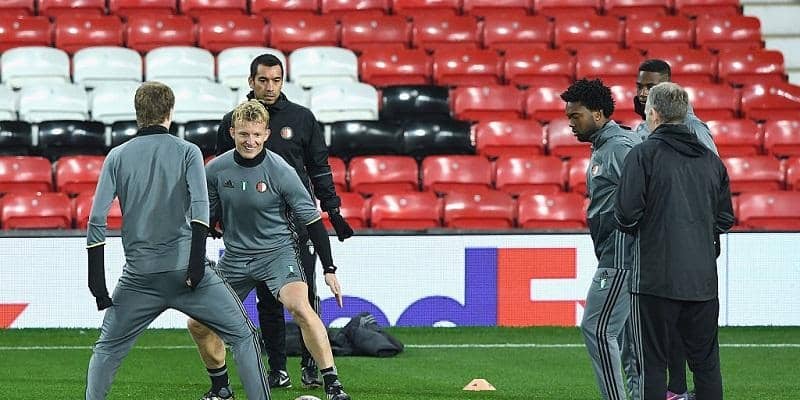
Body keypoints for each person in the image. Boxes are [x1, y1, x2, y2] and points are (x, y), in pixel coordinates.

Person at [84, 82, 270, 400]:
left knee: (107, 350)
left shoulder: (117, 156)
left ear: (137, 114)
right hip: (187, 272)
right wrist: (196, 267)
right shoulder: (188, 151)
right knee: (244, 335)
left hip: (139, 278)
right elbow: (200, 209)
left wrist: (97, 284)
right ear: (170, 112)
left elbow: (96, 220)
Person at [188, 100, 352, 400]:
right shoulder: (215, 170)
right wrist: (193, 264)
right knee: (197, 323)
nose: (250, 141)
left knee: (299, 307)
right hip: (235, 258)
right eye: (243, 134)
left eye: (256, 134)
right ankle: (221, 388)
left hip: (278, 254)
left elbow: (313, 221)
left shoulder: (281, 171)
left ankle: (333, 383)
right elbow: (204, 219)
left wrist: (329, 269)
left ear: (266, 134)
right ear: (232, 132)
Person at [615, 82, 734, 400]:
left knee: (653, 365)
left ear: (653, 113)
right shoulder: (711, 161)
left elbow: (625, 215)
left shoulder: (642, 155)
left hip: (654, 281)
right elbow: (725, 219)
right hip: (702, 282)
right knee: (706, 365)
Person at [633, 59, 720, 400]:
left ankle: (675, 390)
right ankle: (676, 390)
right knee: (675, 341)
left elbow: (712, 188)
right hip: (679, 253)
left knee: (674, 340)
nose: (643, 92)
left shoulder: (696, 133)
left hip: (678, 252)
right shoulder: (641, 130)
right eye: (640, 85)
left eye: (650, 86)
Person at [561, 78, 640, 400]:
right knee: (630, 341)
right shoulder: (608, 146)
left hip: (621, 254)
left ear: (597, 114)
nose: (570, 123)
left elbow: (649, 194)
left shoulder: (618, 148)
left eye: (575, 116)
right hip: (623, 252)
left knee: (597, 328)